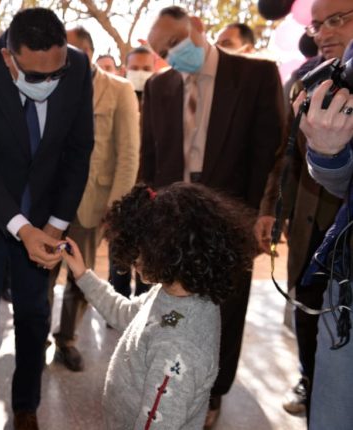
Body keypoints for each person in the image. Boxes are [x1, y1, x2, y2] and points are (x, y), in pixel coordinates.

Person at [0, 8, 93, 429]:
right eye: (35, 76)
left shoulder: (78, 66)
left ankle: (27, 405)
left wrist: (55, 224)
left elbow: (79, 150)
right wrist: (22, 228)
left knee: (34, 315)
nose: (48, 83)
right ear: (8, 57)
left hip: (45, 218)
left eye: (57, 73)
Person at [143, 6, 284, 427]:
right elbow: (150, 161)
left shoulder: (256, 76)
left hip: (232, 215)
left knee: (226, 309)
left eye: (174, 43)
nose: (171, 55)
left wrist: (264, 214)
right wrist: (146, 217)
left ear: (198, 28)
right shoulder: (158, 86)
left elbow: (271, 155)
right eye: (162, 51)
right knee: (177, 306)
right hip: (175, 216)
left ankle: (214, 392)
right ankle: (174, 380)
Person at [60, 183, 255, 429]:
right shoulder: (172, 294)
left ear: (172, 251)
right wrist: (82, 274)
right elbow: (126, 314)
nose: (134, 258)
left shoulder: (179, 348)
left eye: (142, 248)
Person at [254, 0, 351, 417]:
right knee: (307, 307)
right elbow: (285, 156)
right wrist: (270, 210)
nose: (324, 34)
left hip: (343, 228)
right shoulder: (304, 81)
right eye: (317, 25)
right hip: (308, 221)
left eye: (337, 20)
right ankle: (308, 377)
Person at [49, 26, 139, 373]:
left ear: (87, 53)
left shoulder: (118, 90)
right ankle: (37, 337)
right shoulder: (49, 84)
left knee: (79, 277)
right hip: (49, 202)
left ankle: (66, 340)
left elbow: (128, 154)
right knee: (42, 275)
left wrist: (115, 207)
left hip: (92, 204)